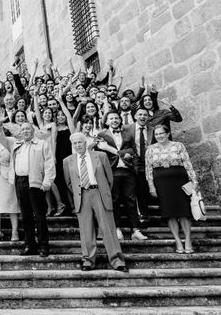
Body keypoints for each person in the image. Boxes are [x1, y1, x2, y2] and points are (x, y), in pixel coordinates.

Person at [63, 132, 128, 272]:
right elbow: (69, 183)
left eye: (80, 142)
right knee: (86, 230)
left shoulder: (100, 156)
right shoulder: (68, 161)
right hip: (82, 195)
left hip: (99, 193)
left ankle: (117, 260)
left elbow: (109, 179)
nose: (78, 145)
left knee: (108, 228)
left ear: (85, 143)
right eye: (74, 143)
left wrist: (103, 191)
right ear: (72, 145)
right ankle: (88, 260)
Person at [145, 125, 198, 254]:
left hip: (180, 182)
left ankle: (188, 240)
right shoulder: (150, 149)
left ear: (168, 133)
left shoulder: (178, 145)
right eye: (156, 134)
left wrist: (194, 181)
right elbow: (148, 169)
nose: (159, 136)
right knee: (169, 213)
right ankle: (178, 241)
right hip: (162, 184)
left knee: (184, 212)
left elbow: (187, 164)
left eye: (161, 133)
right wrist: (151, 185)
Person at [97, 111, 147, 241]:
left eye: (116, 118)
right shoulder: (102, 134)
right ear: (107, 121)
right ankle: (117, 228)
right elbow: (100, 152)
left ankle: (135, 230)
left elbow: (132, 151)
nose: (114, 120)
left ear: (120, 120)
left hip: (127, 171)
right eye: (111, 118)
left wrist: (114, 150)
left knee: (131, 200)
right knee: (115, 200)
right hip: (112, 171)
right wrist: (121, 153)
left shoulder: (127, 134)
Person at [9, 122, 55, 257]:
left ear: (33, 130)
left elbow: (49, 164)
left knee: (39, 216)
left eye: (28, 128)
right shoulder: (17, 145)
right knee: (25, 216)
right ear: (20, 132)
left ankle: (43, 245)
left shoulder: (42, 144)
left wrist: (47, 181)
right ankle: (30, 245)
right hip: (19, 181)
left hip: (35, 181)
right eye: (23, 129)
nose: (25, 131)